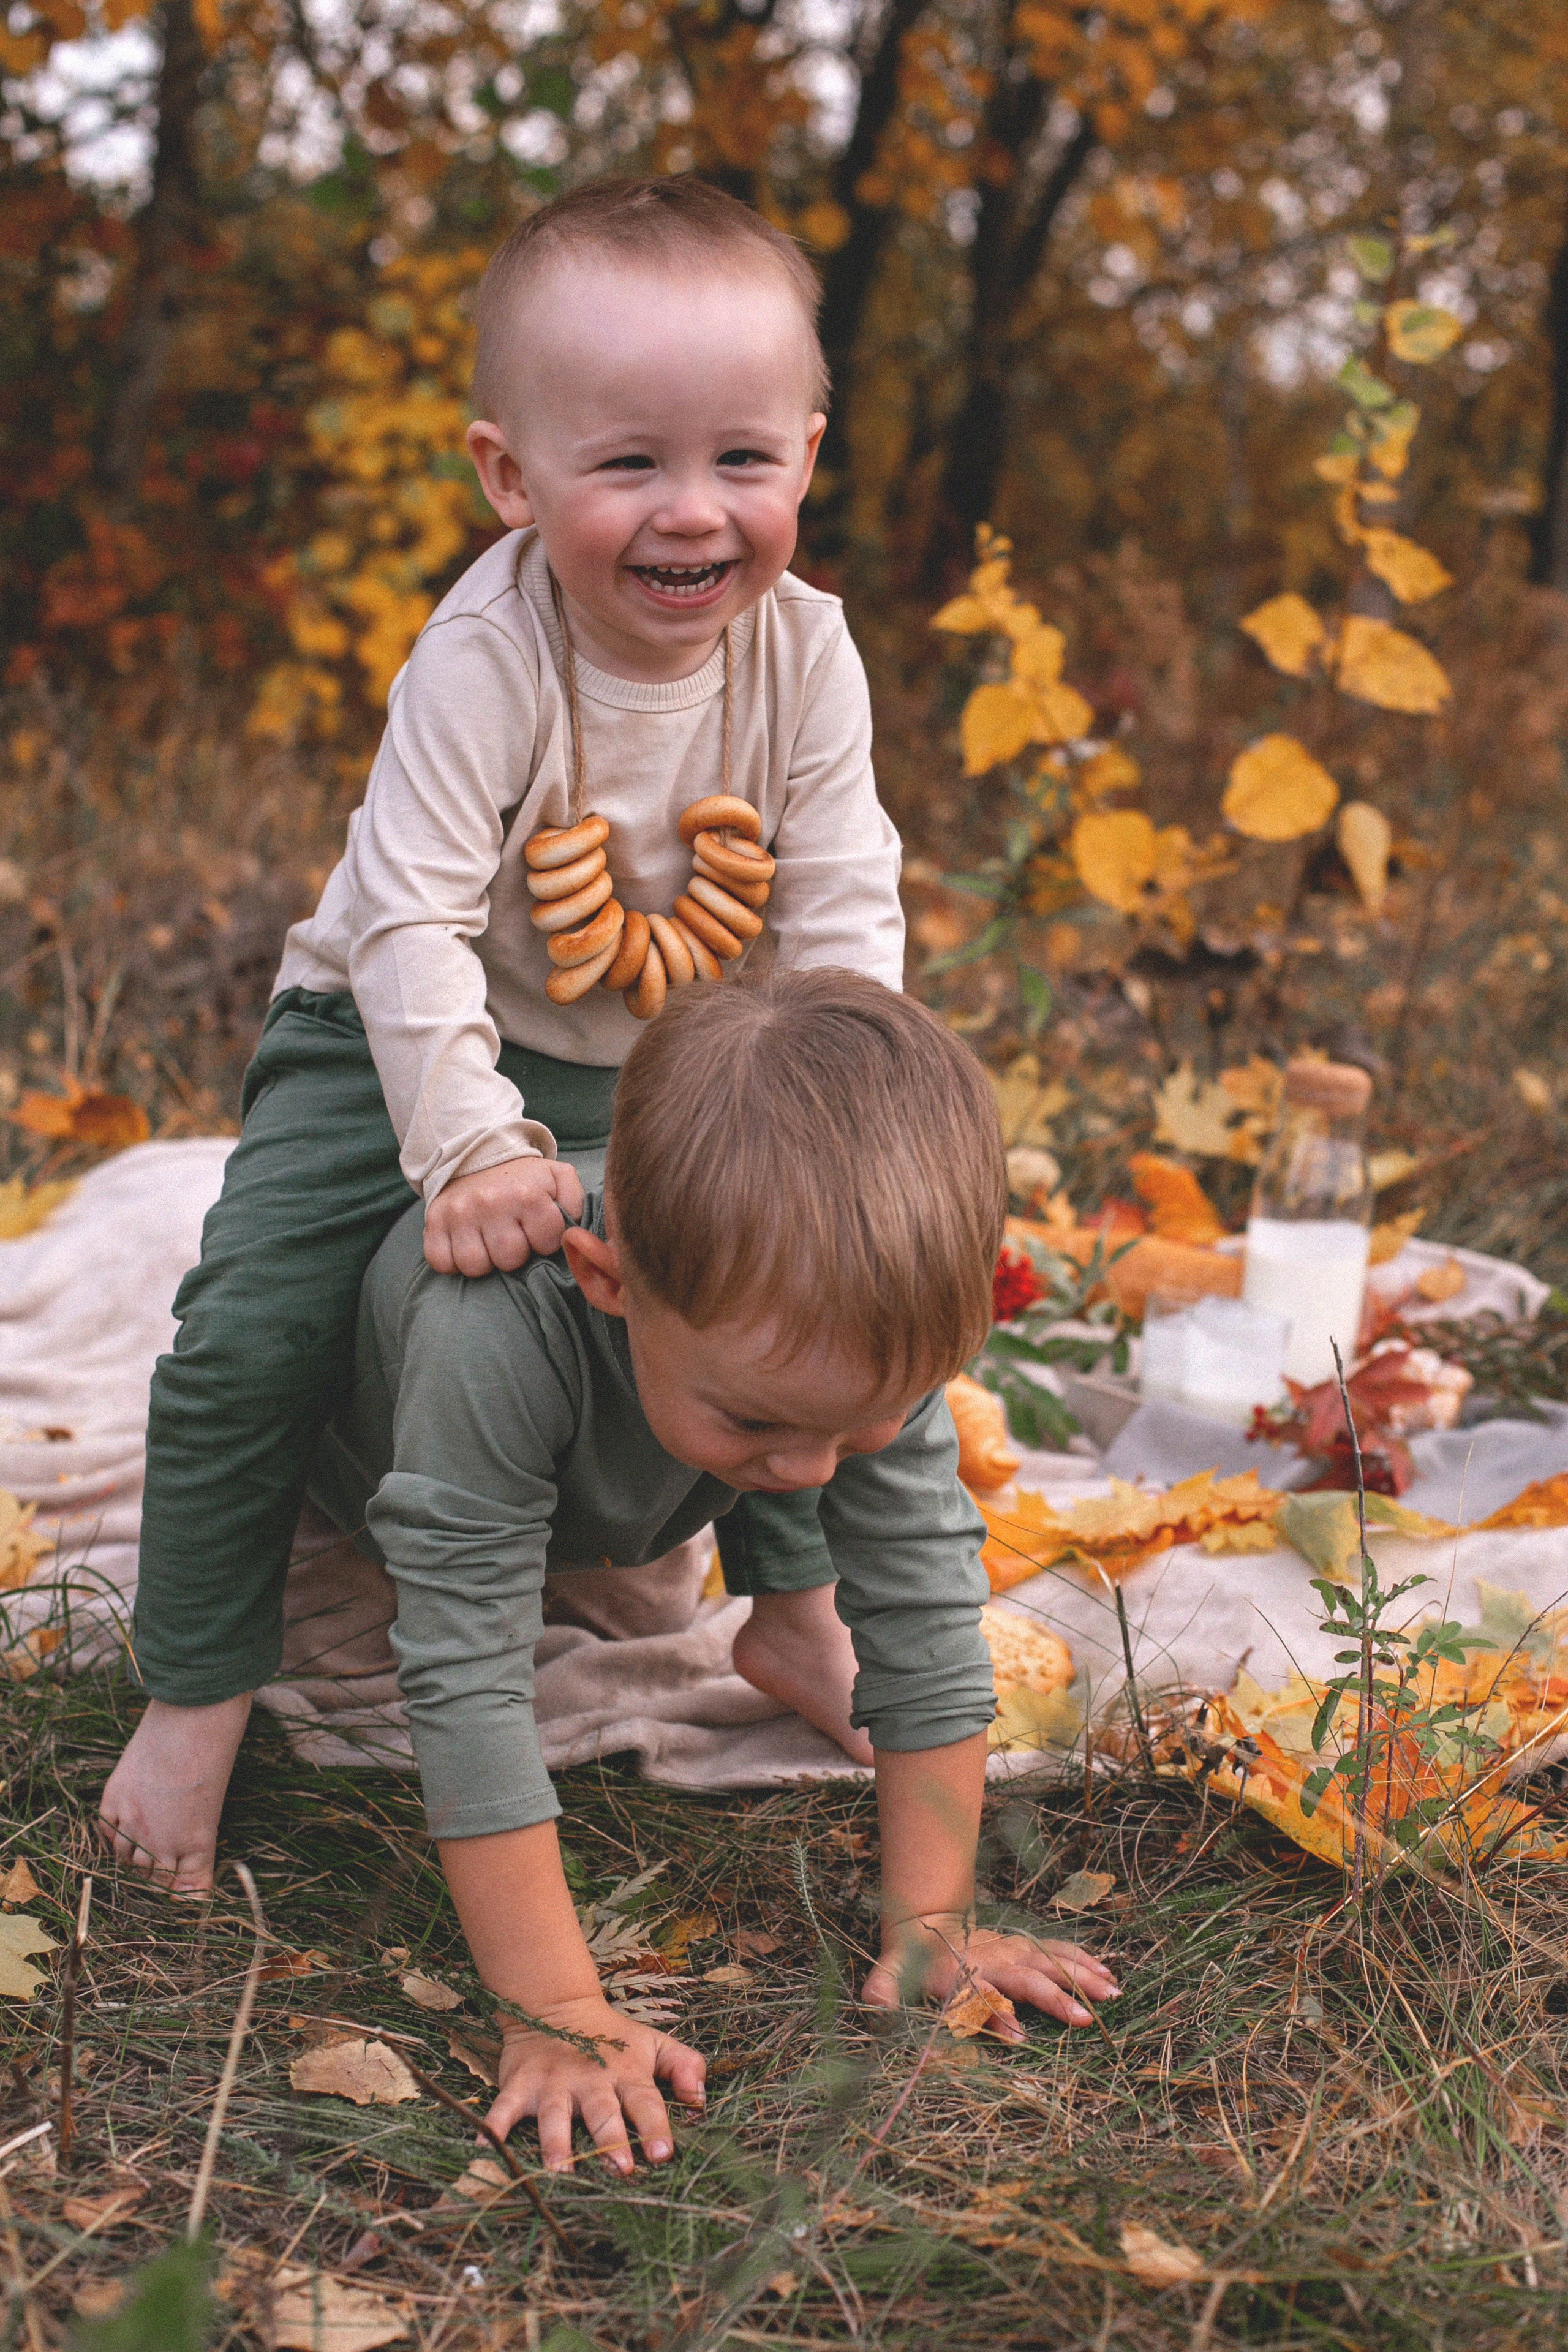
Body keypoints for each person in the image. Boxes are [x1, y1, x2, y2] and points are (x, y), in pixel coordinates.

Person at [100, 175, 908, 1890]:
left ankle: (794, 1606)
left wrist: (861, 1118)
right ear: (509, 474)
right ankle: (198, 1689)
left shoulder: (809, 658)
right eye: (628, 463)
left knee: (793, 1274)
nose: (693, 513)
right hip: (391, 1033)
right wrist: (466, 1145)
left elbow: (842, 903)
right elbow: (404, 920)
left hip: (679, 1042)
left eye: (741, 460)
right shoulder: (488, 657)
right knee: (252, 1327)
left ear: (808, 456)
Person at [306, 973, 1118, 2165]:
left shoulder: (849, 1355)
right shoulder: (493, 1332)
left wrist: (932, 1923)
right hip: (352, 1502)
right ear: (606, 1285)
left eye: (856, 1428)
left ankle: (754, 1592)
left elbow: (927, 1613)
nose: (806, 1471)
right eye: (756, 1425)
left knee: (702, 1529)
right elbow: (468, 1684)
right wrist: (556, 2013)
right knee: (340, 1672)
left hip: (615, 1488)